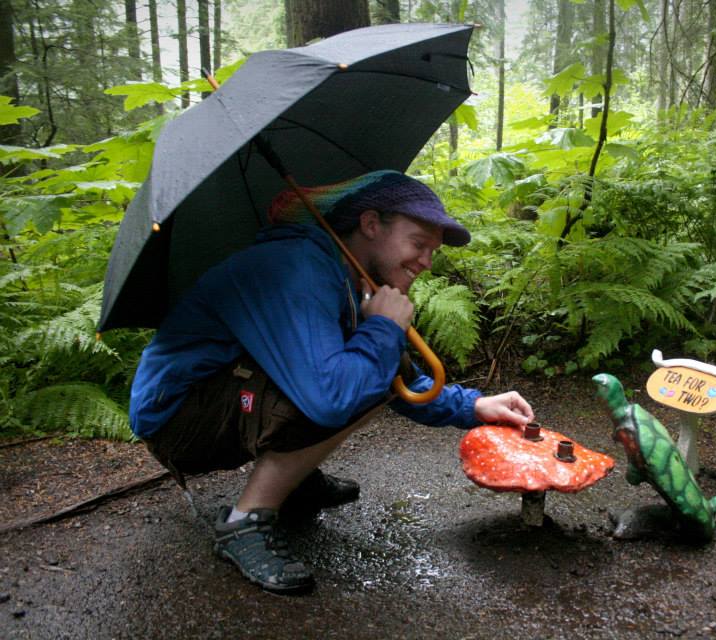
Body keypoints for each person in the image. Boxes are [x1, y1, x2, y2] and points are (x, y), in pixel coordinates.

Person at [129, 170, 535, 593]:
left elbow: (394, 380)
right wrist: (383, 328)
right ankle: (244, 522)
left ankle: (294, 481)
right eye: (418, 243)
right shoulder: (298, 268)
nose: (427, 262)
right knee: (350, 380)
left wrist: (473, 406)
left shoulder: (345, 274)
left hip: (223, 396)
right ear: (371, 224)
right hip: (178, 421)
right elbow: (332, 398)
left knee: (364, 367)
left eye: (432, 251)